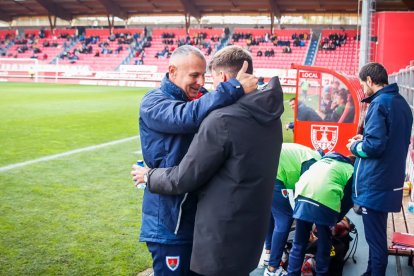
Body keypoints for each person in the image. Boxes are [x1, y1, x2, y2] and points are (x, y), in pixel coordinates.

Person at [132, 45, 284, 275]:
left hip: (198, 218)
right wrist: (233, 87)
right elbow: (186, 117)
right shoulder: (153, 102)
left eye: (204, 75)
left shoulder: (206, 100)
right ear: (172, 71)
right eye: (194, 75)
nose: (201, 82)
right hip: (169, 220)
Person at [346, 62, 413, 276]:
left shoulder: (379, 104)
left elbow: (374, 148)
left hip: (376, 183)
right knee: (376, 238)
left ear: (369, 80)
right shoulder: (400, 101)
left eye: (362, 84)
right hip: (389, 180)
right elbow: (388, 139)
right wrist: (365, 138)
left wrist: (355, 146)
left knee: (375, 242)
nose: (363, 89)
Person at [287, 153, 355, 276]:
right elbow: (347, 201)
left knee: (298, 242)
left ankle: (292, 273)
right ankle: (321, 273)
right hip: (325, 201)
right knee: (325, 243)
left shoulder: (321, 162)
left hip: (302, 196)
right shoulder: (351, 170)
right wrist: (335, 219)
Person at [263, 143, 323, 276]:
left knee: (273, 214)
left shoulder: (307, 153)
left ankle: (268, 253)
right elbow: (305, 196)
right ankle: (272, 269)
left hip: (263, 167)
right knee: (284, 219)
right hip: (274, 173)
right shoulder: (315, 163)